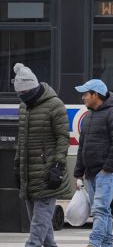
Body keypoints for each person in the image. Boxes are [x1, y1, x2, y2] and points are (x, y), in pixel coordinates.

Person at [12, 63, 70, 247]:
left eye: (24, 94)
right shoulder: (24, 107)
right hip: (28, 174)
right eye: (19, 95)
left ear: (32, 88)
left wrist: (58, 166)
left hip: (48, 173)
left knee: (38, 222)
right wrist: (17, 166)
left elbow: (63, 138)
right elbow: (21, 140)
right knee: (41, 223)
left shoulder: (55, 105)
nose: (22, 98)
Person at [73, 78, 113, 247]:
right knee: (104, 210)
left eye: (85, 94)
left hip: (107, 172)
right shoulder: (88, 116)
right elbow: (83, 146)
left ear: (95, 95)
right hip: (90, 173)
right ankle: (107, 244)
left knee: (100, 209)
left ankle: (94, 243)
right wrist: (78, 173)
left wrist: (107, 169)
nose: (83, 98)